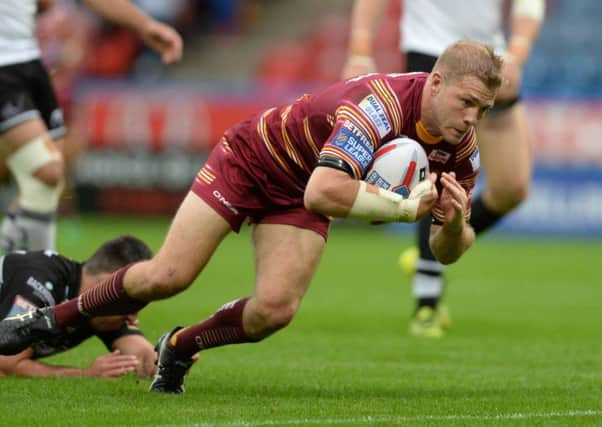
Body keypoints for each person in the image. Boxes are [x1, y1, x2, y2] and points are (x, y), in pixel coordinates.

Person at [0, 41, 502, 393]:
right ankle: (44, 321)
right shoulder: (379, 105)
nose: (471, 119)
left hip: (296, 193)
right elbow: (324, 191)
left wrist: (456, 225)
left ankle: (177, 347)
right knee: (168, 276)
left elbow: (443, 251)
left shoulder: (464, 150)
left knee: (275, 311)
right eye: (467, 103)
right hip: (250, 161)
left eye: (483, 109)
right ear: (436, 83)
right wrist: (405, 208)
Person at [342, 0, 545, 337]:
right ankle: (427, 304)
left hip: (491, 60)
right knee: (434, 177)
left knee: (512, 188)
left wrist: (517, 53)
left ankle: (428, 253)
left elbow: (529, 5)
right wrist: (359, 50)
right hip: (431, 51)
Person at [0, 0, 183, 254]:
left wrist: (144, 25)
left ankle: (21, 278)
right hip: (4, 62)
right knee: (46, 169)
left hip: (29, 59)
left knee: (45, 182)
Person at [0, 235, 156, 378]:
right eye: (130, 306)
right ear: (108, 285)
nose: (134, 320)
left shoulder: (101, 308)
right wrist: (85, 374)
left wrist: (166, 360)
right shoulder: (41, 283)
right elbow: (5, 362)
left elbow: (144, 357)